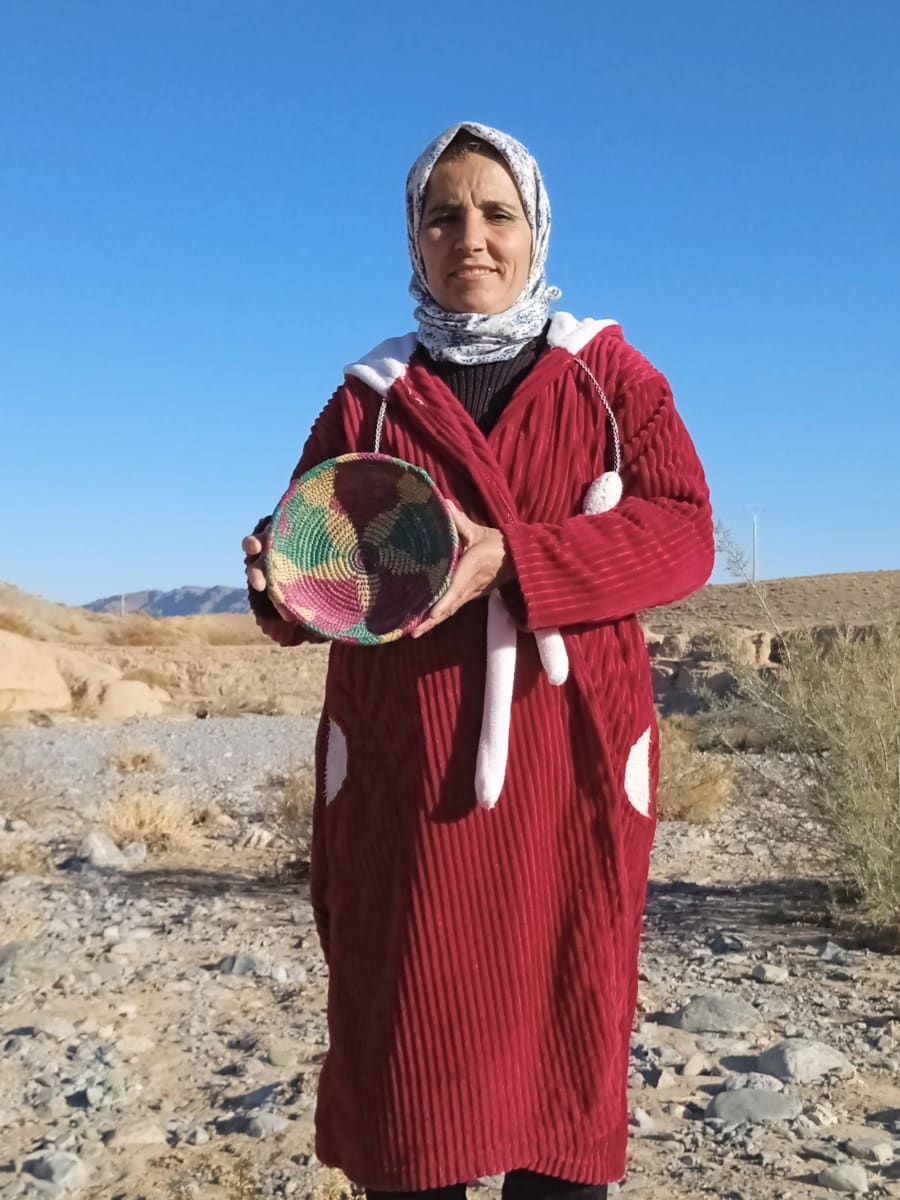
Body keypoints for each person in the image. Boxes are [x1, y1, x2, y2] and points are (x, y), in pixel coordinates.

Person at [242, 122, 714, 1200]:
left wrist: (518, 557)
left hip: (568, 757)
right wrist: (277, 581)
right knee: (411, 1052)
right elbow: (321, 568)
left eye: (497, 212)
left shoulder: (608, 376)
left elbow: (684, 530)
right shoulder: (370, 395)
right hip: (409, 763)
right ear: (412, 237)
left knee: (565, 1030)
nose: (473, 237)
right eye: (443, 215)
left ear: (535, 227)